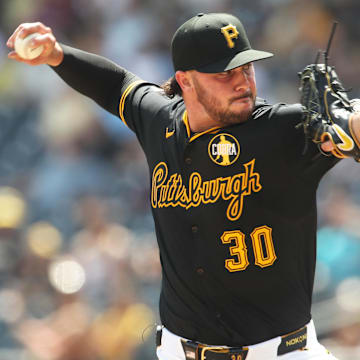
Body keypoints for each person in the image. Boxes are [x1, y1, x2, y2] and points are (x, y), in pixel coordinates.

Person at [7, 12, 360, 360]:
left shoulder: (284, 130)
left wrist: (351, 121)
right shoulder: (160, 122)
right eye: (225, 73)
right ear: (186, 81)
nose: (242, 82)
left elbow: (350, 122)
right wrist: (57, 55)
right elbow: (117, 85)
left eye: (246, 68)